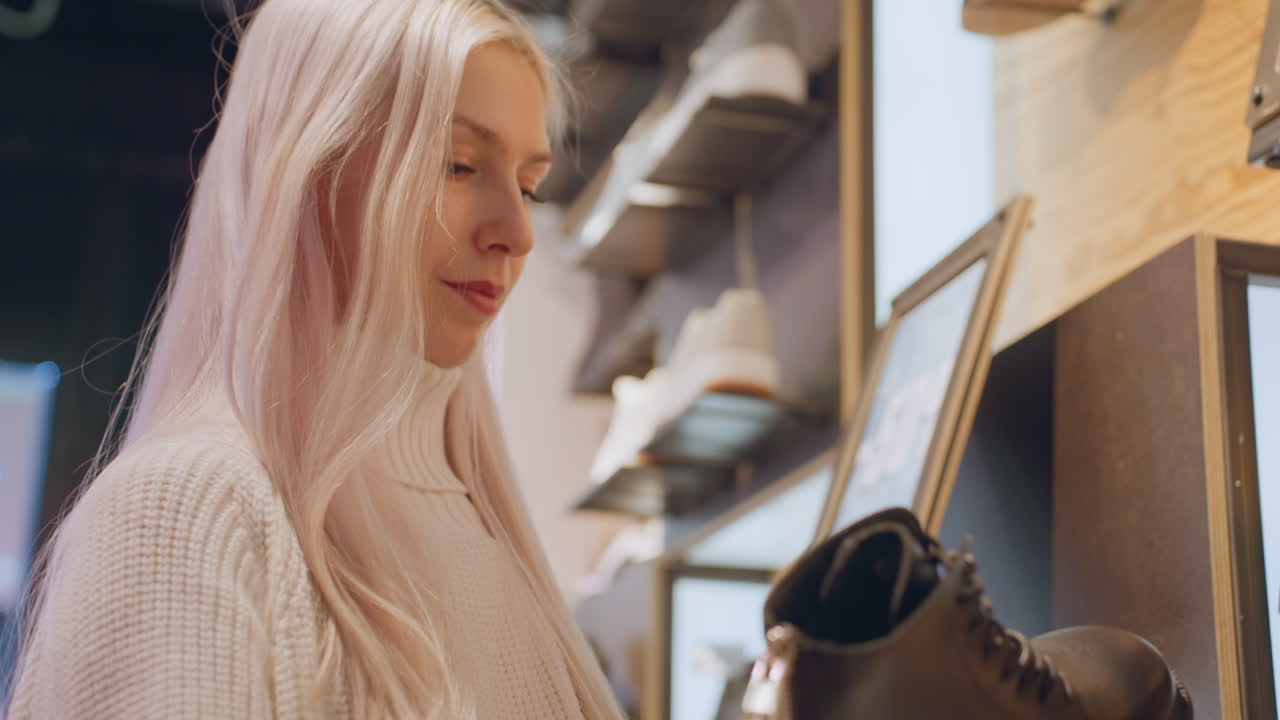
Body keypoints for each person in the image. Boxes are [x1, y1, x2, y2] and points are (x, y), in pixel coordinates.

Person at [3, 0, 626, 717]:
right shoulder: (187, 516)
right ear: (306, 165)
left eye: (527, 185)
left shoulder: (490, 537)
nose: (518, 233)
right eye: (456, 164)